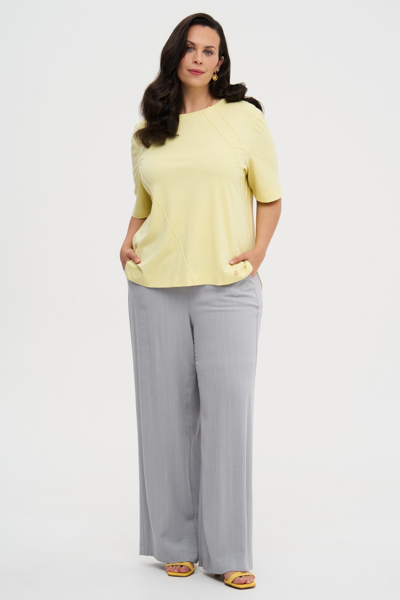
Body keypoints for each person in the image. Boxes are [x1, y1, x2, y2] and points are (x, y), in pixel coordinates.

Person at [120, 12, 282, 591]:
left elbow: (270, 197)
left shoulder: (245, 119)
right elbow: (146, 203)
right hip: (154, 287)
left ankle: (229, 550)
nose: (198, 57)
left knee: (227, 415)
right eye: (190, 48)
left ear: (220, 62)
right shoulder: (147, 131)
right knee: (164, 417)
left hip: (228, 287)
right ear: (176, 55)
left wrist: (257, 253)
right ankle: (173, 544)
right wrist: (127, 239)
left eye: (209, 50)